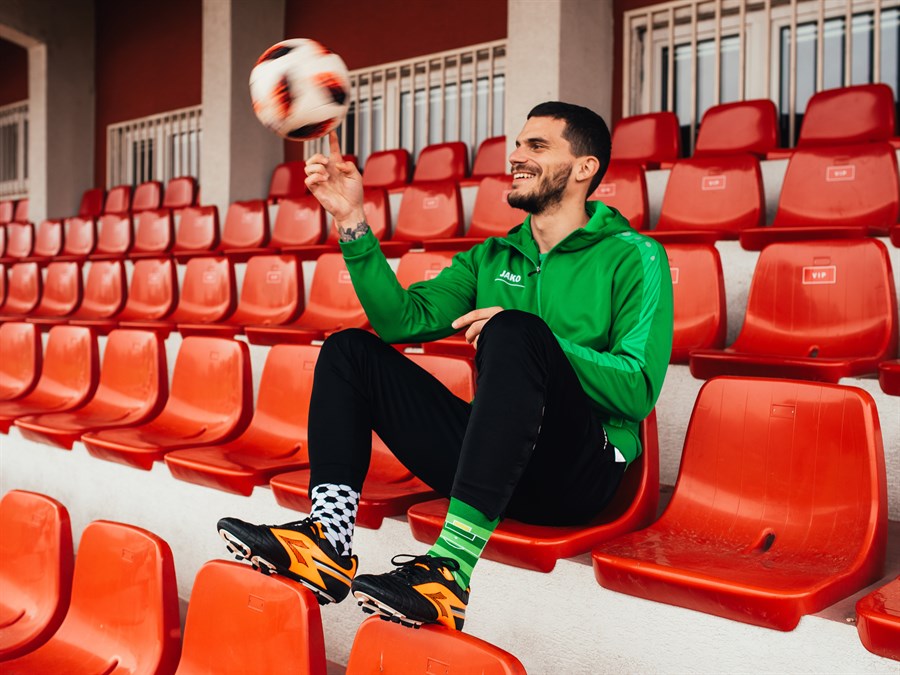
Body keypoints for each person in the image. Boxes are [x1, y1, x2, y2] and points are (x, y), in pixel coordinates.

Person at [218, 101, 673, 631]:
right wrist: (351, 221)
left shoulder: (634, 256)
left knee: (516, 329)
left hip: (575, 475)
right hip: (491, 464)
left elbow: (637, 389)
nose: (516, 156)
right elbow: (400, 321)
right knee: (349, 352)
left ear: (584, 167)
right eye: (518, 144)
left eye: (536, 146)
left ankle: (450, 571)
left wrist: (537, 340)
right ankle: (328, 540)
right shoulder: (491, 258)